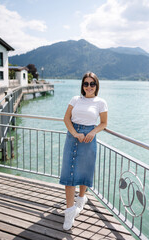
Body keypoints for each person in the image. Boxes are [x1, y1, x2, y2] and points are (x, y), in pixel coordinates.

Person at [59, 72, 108, 230]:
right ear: (82, 85)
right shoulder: (75, 99)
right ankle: (69, 212)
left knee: (84, 172)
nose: (88, 87)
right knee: (69, 174)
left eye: (92, 84)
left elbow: (103, 123)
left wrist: (93, 132)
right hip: (73, 137)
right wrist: (75, 133)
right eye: (86, 84)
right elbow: (66, 118)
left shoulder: (101, 102)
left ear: (96, 85)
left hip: (88, 139)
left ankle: (81, 198)